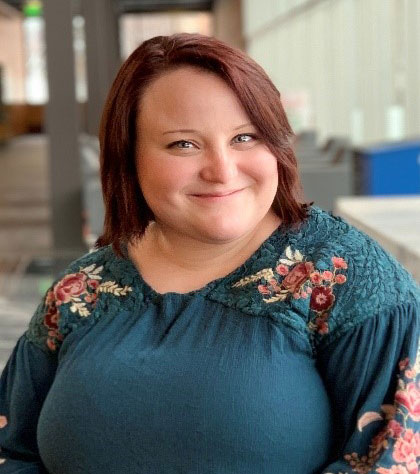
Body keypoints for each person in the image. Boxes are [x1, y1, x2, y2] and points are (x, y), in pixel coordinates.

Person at [0, 33, 419, 474]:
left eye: (245, 137)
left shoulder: (345, 278)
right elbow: (12, 450)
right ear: (129, 156)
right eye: (184, 144)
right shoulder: (79, 291)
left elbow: (388, 462)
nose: (221, 170)